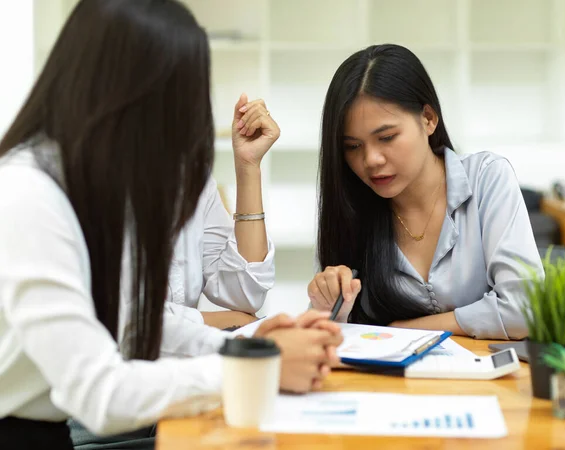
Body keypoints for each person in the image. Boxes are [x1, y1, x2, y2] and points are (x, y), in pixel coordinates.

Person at [0, 1, 341, 449]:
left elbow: (138, 323)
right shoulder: (29, 195)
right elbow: (98, 392)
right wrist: (255, 365)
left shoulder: (91, 183)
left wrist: (251, 344)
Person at [307, 44, 544, 340]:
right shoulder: (351, 207)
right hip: (387, 384)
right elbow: (331, 338)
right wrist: (329, 307)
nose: (371, 160)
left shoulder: (486, 178)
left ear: (428, 119)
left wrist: (407, 330)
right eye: (352, 147)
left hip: (484, 381)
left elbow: (526, 309)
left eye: (387, 137)